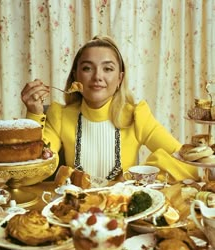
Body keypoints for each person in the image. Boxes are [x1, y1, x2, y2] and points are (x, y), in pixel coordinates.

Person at [21, 35, 198, 183]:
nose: (98, 76)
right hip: (75, 215)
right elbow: (32, 174)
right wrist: (34, 114)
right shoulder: (59, 116)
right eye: (87, 68)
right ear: (76, 75)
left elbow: (189, 162)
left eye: (108, 69)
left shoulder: (137, 116)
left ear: (120, 78)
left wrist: (135, 177)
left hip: (122, 213)